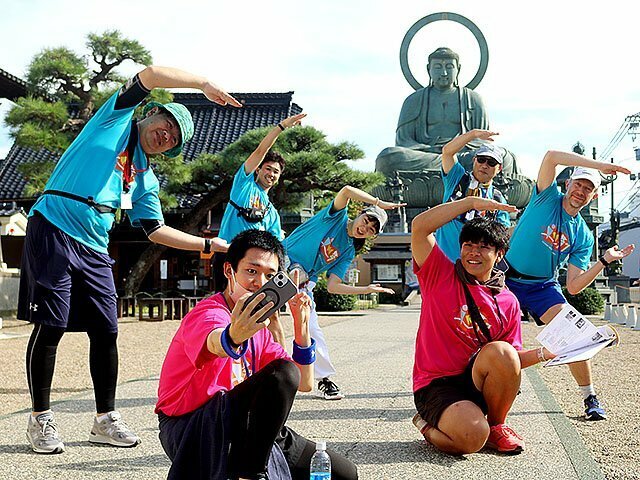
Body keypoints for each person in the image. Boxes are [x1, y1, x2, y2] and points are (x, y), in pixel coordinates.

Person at [19, 65, 240, 454]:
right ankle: (40, 418)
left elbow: (155, 230)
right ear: (149, 113)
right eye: (166, 124)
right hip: (53, 225)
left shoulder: (145, 176)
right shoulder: (114, 119)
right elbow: (151, 74)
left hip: (95, 245)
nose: (165, 136)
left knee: (106, 330)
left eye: (173, 139)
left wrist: (209, 246)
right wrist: (203, 83)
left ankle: (104, 419)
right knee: (50, 325)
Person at [155, 230, 358, 480]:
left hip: (246, 425)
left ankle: (252, 465)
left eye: (269, 275)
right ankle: (251, 475)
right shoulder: (209, 312)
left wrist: (301, 328)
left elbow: (302, 383)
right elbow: (214, 342)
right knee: (282, 372)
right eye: (252, 271)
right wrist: (233, 335)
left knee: (344, 473)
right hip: (195, 425)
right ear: (229, 271)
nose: (260, 282)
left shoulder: (259, 329)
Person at [410, 196, 557, 454]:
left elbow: (510, 359)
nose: (474, 253)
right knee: (471, 439)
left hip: (476, 381)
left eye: (484, 247)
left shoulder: (509, 301)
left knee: (502, 351)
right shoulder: (439, 273)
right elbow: (420, 227)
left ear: (499, 255)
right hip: (436, 385)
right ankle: (426, 425)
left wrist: (548, 353)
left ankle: (498, 425)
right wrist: (470, 203)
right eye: (468, 245)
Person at [505, 150, 634, 421]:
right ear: (567, 185)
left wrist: (603, 261)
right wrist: (599, 166)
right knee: (496, 337)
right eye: (578, 184)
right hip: (507, 278)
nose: (581, 191)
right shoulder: (546, 198)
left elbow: (574, 286)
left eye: (589, 188)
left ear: (594, 196)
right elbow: (551, 156)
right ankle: (490, 381)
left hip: (542, 286)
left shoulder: (583, 236)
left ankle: (590, 397)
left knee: (574, 334)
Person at [284, 186, 404, 399]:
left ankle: (324, 379)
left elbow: (333, 286)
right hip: (282, 261)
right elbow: (346, 190)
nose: (364, 228)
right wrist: (379, 203)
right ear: (360, 214)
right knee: (262, 315)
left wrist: (365, 289)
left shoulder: (348, 251)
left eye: (371, 229)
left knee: (312, 328)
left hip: (302, 282)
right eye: (366, 221)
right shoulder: (336, 217)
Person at [375, 47, 518, 179]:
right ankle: (448, 168)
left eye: (449, 67)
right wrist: (436, 150)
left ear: (458, 69)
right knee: (388, 157)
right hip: (427, 155)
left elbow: (484, 142)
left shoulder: (473, 99)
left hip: (463, 156)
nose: (443, 72)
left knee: (504, 157)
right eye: (437, 67)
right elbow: (404, 141)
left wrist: (454, 149)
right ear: (428, 69)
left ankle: (449, 167)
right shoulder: (413, 100)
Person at [213, 113, 307, 291]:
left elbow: (278, 246)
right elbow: (260, 151)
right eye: (268, 168)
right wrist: (282, 127)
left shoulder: (272, 212)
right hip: (227, 256)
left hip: (253, 267)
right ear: (258, 170)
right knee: (225, 306)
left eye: (276, 172)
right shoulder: (243, 185)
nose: (271, 174)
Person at [436, 129, 510, 261]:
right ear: (474, 160)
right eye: (481, 160)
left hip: (475, 266)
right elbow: (447, 152)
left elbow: (502, 234)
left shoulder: (497, 199)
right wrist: (473, 134)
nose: (485, 165)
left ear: (499, 168)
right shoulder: (458, 179)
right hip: (446, 262)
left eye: (491, 163)